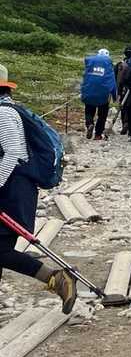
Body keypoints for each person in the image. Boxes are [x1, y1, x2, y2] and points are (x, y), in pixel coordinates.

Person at [0, 65, 77, 311]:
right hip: (12, 187)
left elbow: (13, 152)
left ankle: (57, 278)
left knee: (1, 250)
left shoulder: (3, 113)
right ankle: (57, 278)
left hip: (13, 190)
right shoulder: (8, 109)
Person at [80, 48, 116, 141]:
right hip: (103, 94)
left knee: (89, 111)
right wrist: (114, 96)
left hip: (90, 91)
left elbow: (85, 78)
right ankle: (98, 135)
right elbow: (112, 82)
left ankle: (89, 124)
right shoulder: (108, 67)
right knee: (102, 115)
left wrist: (83, 91)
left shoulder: (90, 65)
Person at [114, 45, 131, 137]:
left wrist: (118, 91)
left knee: (123, 107)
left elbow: (116, 77)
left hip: (123, 88)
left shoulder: (121, 64)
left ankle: (124, 123)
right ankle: (129, 124)